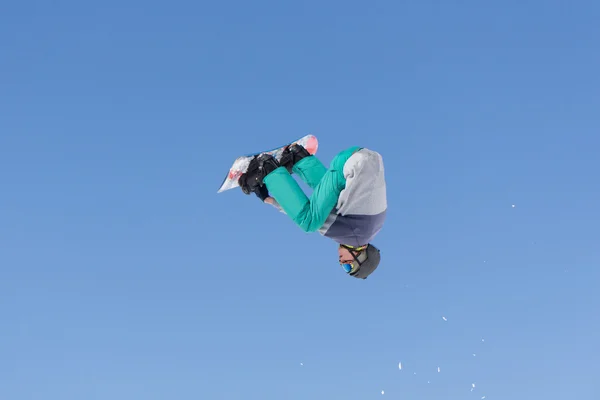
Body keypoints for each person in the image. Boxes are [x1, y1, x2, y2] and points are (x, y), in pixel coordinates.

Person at [239, 143, 387, 279]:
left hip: (358, 157)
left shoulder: (368, 230)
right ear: (360, 256)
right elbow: (306, 214)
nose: (341, 262)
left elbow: (321, 204)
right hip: (350, 167)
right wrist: (267, 199)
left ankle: (298, 158)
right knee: (309, 223)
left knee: (329, 203)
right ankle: (265, 168)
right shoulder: (352, 236)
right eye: (348, 266)